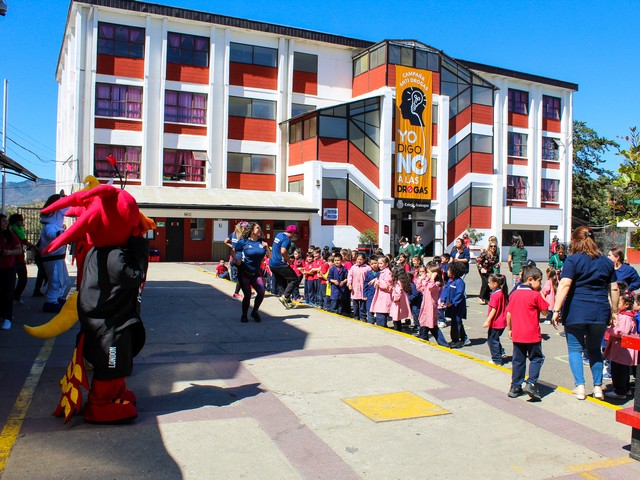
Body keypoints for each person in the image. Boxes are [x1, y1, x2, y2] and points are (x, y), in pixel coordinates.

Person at [551, 226, 619, 401]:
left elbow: (565, 284)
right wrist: (614, 311)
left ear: (575, 241)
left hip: (576, 310)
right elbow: (614, 288)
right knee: (595, 349)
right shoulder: (606, 262)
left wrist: (556, 309)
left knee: (575, 348)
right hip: (600, 311)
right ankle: (598, 387)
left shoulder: (573, 260)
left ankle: (580, 386)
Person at [506, 266, 549, 401]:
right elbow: (545, 312)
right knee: (536, 358)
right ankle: (531, 383)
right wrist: (542, 296)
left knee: (518, 360)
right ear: (530, 280)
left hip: (518, 334)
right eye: (539, 281)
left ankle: (515, 386)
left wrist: (510, 329)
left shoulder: (514, 295)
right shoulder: (535, 295)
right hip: (532, 334)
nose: (540, 285)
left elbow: (509, 313)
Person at [40, 194, 72, 313]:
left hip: (58, 258)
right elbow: (52, 235)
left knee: (64, 280)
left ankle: (58, 298)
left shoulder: (54, 226)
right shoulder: (50, 227)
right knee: (56, 280)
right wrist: (66, 234)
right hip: (52, 259)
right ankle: (52, 301)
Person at [603, 290, 638, 399]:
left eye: (618, 302)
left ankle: (620, 391)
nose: (615, 304)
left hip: (622, 350)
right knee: (623, 370)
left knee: (618, 371)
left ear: (626, 304)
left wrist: (609, 330)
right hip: (622, 349)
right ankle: (626, 389)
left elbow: (621, 332)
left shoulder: (625, 317)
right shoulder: (627, 315)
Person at [234, 222, 271, 323]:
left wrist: (267, 247)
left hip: (256, 273)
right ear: (251, 230)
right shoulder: (243, 242)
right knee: (248, 295)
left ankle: (254, 312)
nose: (260, 230)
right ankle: (244, 315)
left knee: (261, 292)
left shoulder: (262, 242)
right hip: (244, 272)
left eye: (260, 228)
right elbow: (234, 251)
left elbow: (269, 256)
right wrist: (237, 259)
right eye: (257, 228)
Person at [416, 263, 448, 346]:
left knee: (432, 326)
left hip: (431, 308)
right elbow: (419, 288)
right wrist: (421, 280)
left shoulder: (436, 284)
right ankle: (424, 339)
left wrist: (432, 278)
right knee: (424, 324)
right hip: (425, 307)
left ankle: (443, 344)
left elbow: (431, 287)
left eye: (428, 272)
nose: (426, 274)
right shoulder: (429, 282)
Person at [0, 215, 23, 330]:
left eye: (6, 221)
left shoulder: (10, 235)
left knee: (8, 293)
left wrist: (8, 252)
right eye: (3, 221)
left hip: (8, 268)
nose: (5, 223)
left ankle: (7, 318)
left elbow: (19, 250)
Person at [270, 225, 300, 309]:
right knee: (294, 279)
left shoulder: (279, 234)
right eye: (295, 234)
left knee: (283, 283)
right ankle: (285, 297)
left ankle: (288, 302)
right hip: (280, 264)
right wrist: (289, 260)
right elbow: (283, 251)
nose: (295, 236)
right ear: (292, 233)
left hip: (272, 264)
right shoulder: (287, 239)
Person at [482, 274, 509, 365]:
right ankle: (501, 352)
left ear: (495, 284)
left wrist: (488, 320)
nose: (488, 284)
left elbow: (494, 309)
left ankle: (496, 359)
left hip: (496, 322)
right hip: (502, 321)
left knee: (492, 340)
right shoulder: (502, 293)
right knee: (494, 338)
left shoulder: (496, 295)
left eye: (489, 283)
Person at [8, 213, 35, 304]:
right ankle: (11, 298)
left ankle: (16, 296)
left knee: (23, 279)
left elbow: (24, 241)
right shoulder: (10, 232)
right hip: (12, 260)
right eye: (21, 221)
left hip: (20, 259)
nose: (22, 223)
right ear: (16, 222)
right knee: (11, 280)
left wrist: (34, 246)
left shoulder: (19, 231)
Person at [441, 262, 468, 348]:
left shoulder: (459, 282)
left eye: (449, 270)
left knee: (456, 323)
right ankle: (464, 338)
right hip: (451, 306)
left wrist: (452, 302)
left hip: (458, 306)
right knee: (456, 321)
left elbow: (459, 294)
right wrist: (443, 300)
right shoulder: (450, 281)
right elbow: (445, 290)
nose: (447, 271)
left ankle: (456, 341)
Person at [224, 221, 248, 299]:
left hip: (234, 256)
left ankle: (246, 290)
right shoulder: (242, 236)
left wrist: (232, 246)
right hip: (239, 257)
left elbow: (225, 241)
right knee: (242, 276)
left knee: (244, 275)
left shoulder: (233, 234)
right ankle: (236, 293)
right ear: (243, 228)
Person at [369, 255, 393, 327]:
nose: (379, 265)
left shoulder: (387, 272)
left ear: (386, 264)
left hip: (384, 298)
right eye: (378, 263)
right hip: (381, 297)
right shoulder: (382, 272)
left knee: (381, 316)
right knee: (380, 315)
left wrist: (377, 281)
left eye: (381, 263)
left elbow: (386, 285)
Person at [347, 252, 370, 322]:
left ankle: (363, 317)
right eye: (358, 259)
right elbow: (350, 276)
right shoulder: (353, 267)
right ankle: (356, 316)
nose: (359, 261)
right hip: (355, 288)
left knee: (363, 304)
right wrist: (349, 284)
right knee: (355, 304)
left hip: (363, 289)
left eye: (361, 259)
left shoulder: (367, 268)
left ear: (364, 260)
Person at [363, 256, 380, 324]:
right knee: (369, 309)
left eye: (375, 263)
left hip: (378, 294)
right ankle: (370, 322)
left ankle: (379, 323)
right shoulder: (368, 273)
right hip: (370, 294)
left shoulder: (381, 273)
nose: (374, 265)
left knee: (378, 309)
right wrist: (365, 294)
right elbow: (365, 284)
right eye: (372, 264)